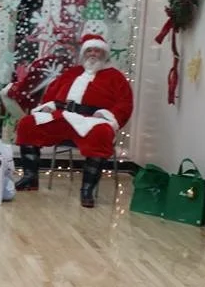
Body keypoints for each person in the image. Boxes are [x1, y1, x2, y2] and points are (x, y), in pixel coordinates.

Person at [13, 34, 134, 208]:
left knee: (102, 133)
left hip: (91, 120)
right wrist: (49, 106)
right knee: (28, 124)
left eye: (97, 50)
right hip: (62, 116)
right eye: (89, 50)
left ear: (104, 54)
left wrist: (106, 115)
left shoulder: (115, 77)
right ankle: (30, 178)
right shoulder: (72, 73)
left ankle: (87, 190)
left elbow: (125, 103)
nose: (93, 54)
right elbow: (52, 93)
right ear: (84, 53)